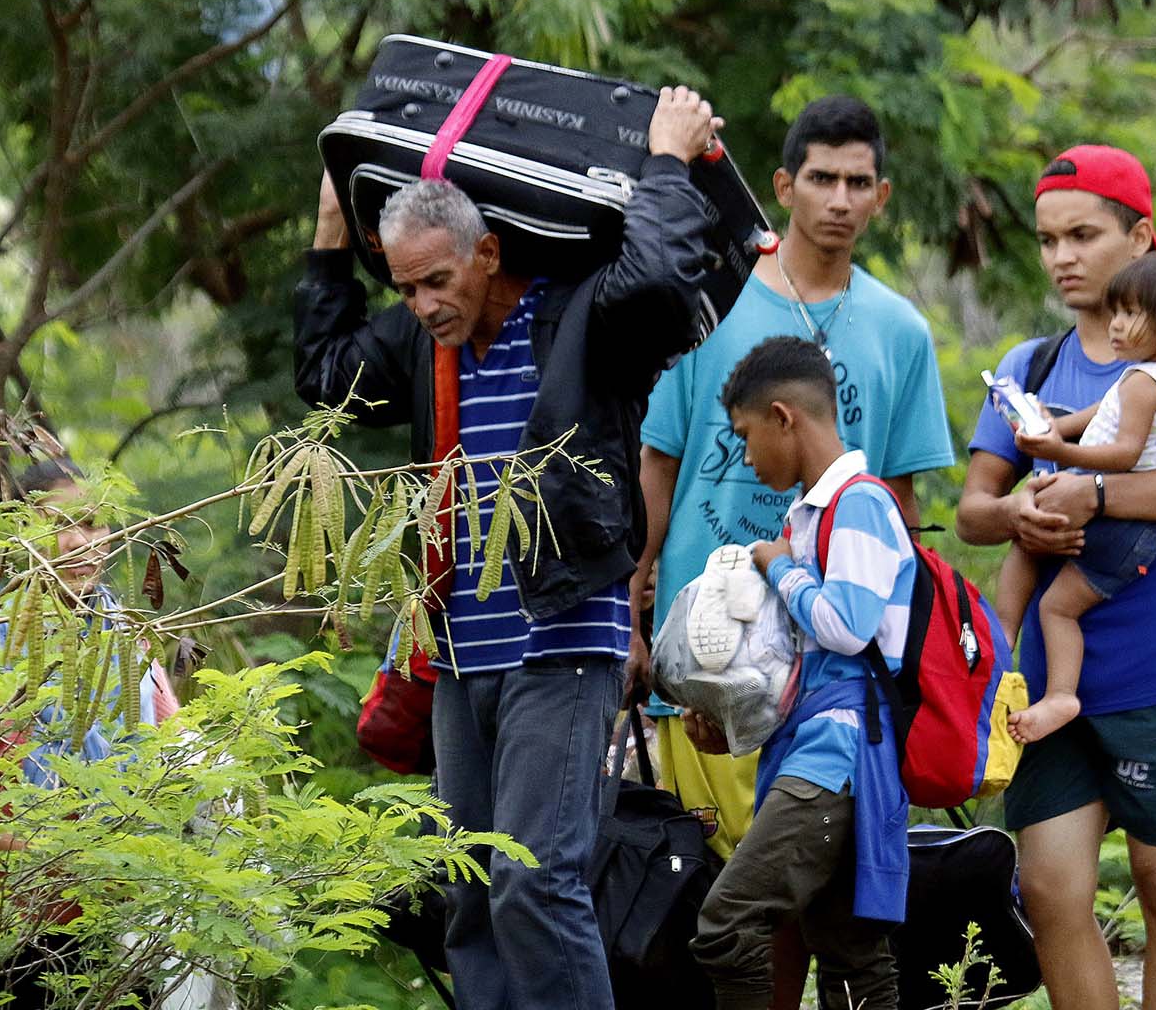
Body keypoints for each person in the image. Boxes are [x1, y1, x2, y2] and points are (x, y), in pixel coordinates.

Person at [294, 87, 721, 1010]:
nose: (422, 303)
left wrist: (668, 161)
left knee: (536, 882)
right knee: (470, 893)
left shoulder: (577, 318)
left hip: (561, 640)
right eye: (404, 286)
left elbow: (657, 281)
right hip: (458, 653)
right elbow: (324, 376)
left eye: (437, 281)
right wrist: (332, 228)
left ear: (488, 252)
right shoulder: (426, 346)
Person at [626, 94, 953, 1000]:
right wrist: (635, 608)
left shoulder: (901, 333)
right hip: (710, 658)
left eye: (859, 182)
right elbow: (657, 463)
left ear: (881, 196)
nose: (840, 199)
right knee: (729, 897)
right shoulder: (707, 309)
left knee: (795, 916)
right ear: (783, 185)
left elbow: (905, 523)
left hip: (829, 695)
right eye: (821, 178)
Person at [955, 145, 1156, 1010]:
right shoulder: (1032, 367)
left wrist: (1093, 490)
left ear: (1142, 238)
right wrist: (1019, 513)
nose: (1063, 258)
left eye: (1084, 235)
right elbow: (976, 507)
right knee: (1051, 894)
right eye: (1049, 240)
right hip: (1050, 682)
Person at [682, 336, 909, 1010]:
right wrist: (732, 727)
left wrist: (776, 564)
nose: (747, 457)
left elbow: (846, 626)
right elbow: (800, 663)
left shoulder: (861, 503)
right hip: (814, 748)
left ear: (784, 417)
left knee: (726, 925)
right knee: (849, 956)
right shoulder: (809, 517)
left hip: (838, 759)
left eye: (747, 436)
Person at [0, 457, 174, 1008]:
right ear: (22, 535)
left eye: (97, 523)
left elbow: (171, 766)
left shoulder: (132, 645)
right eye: (63, 524)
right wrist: (60, 860)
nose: (84, 542)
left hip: (108, 930)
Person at [995, 251, 1156, 743]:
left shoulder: (1145, 383)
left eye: (1130, 314)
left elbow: (1124, 452)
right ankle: (1024, 661)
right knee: (1049, 581)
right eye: (1115, 312)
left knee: (1049, 591)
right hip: (1141, 527)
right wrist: (1054, 425)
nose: (1115, 325)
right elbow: (1097, 414)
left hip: (1118, 521)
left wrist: (1058, 449)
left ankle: (1013, 653)